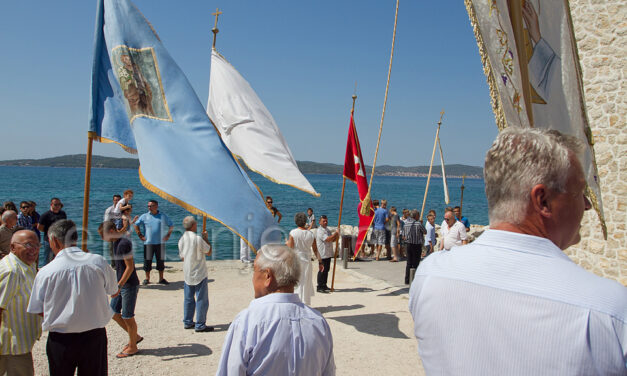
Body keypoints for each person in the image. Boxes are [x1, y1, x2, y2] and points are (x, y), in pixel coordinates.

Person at [409, 128, 627, 374]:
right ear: (543, 201)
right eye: (579, 192)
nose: (587, 205)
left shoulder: (431, 276)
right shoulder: (610, 309)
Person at [216, 244, 335, 375]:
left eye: (254, 270)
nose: (253, 277)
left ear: (268, 276)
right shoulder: (318, 322)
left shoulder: (247, 322)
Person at [27, 220, 118, 376]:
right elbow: (113, 291)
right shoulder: (98, 262)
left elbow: (38, 309)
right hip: (94, 336)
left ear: (54, 240)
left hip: (61, 339)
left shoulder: (46, 272)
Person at [0, 230, 42, 376]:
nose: (34, 249)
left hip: (21, 343)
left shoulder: (26, 266)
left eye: (37, 245)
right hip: (11, 347)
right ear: (12, 247)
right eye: (28, 245)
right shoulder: (12, 271)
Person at [100, 220, 142, 358]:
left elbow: (130, 267)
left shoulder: (123, 243)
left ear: (111, 231)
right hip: (120, 284)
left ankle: (133, 346)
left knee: (128, 316)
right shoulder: (116, 241)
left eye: (103, 235)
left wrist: (119, 285)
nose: (103, 239)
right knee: (113, 312)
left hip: (128, 285)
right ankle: (134, 337)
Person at [178, 216, 214, 332]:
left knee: (188, 299)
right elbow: (208, 251)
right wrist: (206, 238)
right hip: (199, 272)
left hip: (188, 272)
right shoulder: (197, 239)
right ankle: (200, 324)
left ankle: (188, 321)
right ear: (194, 226)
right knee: (201, 299)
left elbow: (182, 257)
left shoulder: (182, 239)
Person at [286, 212, 323, 305]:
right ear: (305, 221)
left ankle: (296, 302)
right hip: (307, 260)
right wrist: (320, 262)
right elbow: (315, 249)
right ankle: (305, 302)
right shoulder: (311, 234)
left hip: (296, 259)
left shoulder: (293, 233)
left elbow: (290, 248)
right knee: (306, 281)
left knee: (296, 281)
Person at [134, 199, 173, 285]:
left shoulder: (162, 216)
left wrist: (168, 235)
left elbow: (171, 225)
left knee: (161, 262)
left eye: (151, 206)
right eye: (148, 206)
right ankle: (147, 279)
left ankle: (161, 279)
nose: (149, 207)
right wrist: (140, 235)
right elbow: (136, 225)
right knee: (147, 261)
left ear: (156, 206)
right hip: (148, 243)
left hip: (160, 243)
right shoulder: (144, 216)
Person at [37, 198, 67, 267]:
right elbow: (39, 227)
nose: (57, 206)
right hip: (49, 240)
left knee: (59, 257)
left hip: (60, 239)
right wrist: (49, 232)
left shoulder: (62, 213)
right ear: (51, 205)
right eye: (55, 204)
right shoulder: (46, 215)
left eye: (59, 204)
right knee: (48, 258)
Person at [316, 215, 340, 293]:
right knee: (322, 270)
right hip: (322, 253)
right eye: (323, 221)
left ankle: (324, 285)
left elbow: (332, 239)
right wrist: (336, 233)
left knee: (326, 270)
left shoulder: (327, 230)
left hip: (328, 253)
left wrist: (336, 236)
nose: (325, 222)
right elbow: (327, 239)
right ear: (320, 222)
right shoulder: (320, 230)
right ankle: (319, 286)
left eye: (326, 221)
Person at [402, 210, 426, 285]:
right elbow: (425, 231)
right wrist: (421, 224)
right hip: (416, 245)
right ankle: (415, 279)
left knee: (409, 262)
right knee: (416, 262)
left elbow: (403, 235)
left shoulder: (406, 223)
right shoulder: (418, 224)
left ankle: (407, 280)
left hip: (408, 244)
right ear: (416, 216)